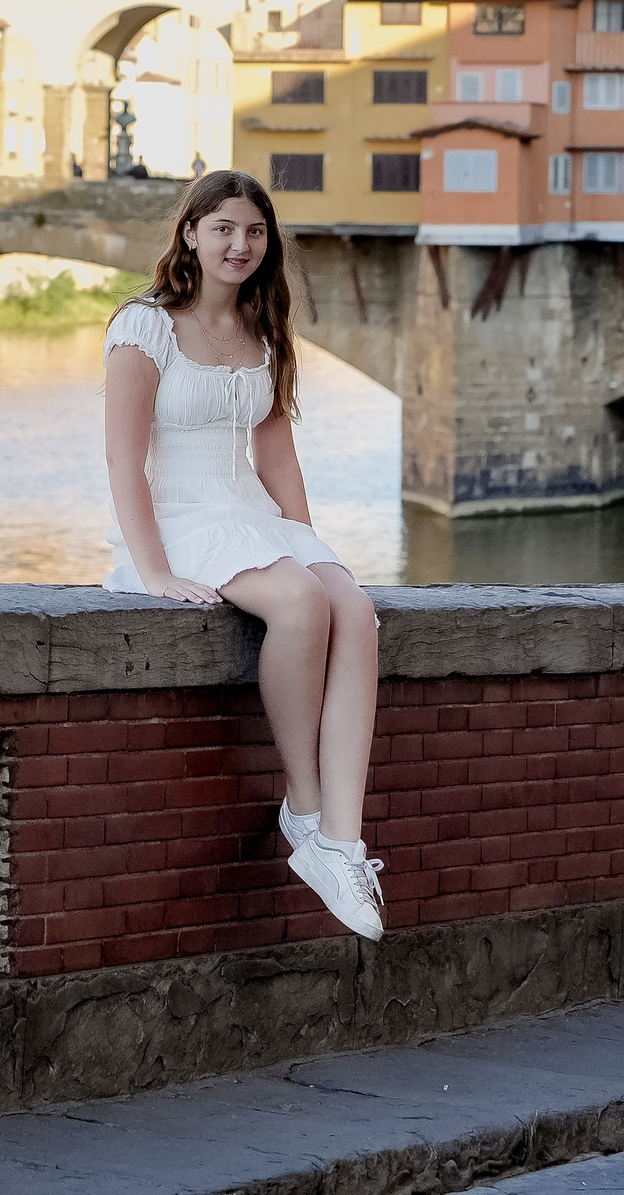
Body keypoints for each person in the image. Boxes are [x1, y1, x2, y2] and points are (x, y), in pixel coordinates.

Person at [100, 170, 384, 939]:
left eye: (254, 231)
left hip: (250, 514)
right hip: (181, 518)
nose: (240, 244)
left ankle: (341, 844)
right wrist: (155, 571)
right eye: (224, 227)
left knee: (354, 609)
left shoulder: (264, 328)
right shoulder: (143, 327)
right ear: (191, 232)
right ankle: (305, 807)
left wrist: (310, 546)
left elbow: (276, 455)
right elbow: (124, 461)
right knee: (299, 604)